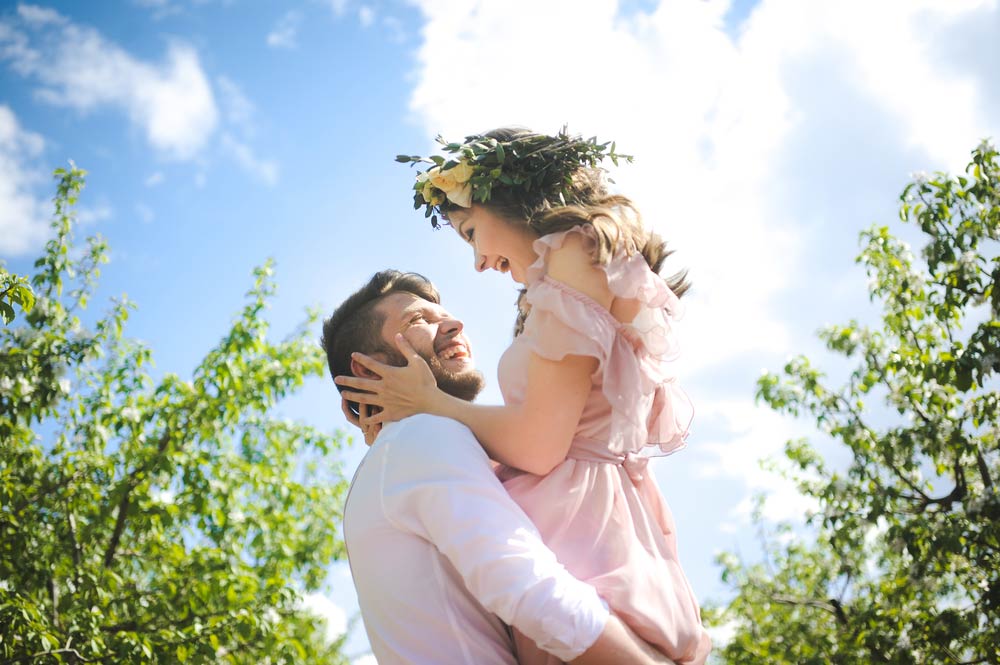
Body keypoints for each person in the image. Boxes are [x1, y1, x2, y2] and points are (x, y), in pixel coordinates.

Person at [334, 128, 712, 664]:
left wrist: (433, 402)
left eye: (470, 232)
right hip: (580, 522)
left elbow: (537, 448)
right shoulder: (421, 441)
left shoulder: (573, 257)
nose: (479, 262)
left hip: (581, 528)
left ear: (504, 201)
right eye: (466, 237)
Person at [321, 269, 675, 665]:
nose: (455, 324)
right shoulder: (421, 438)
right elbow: (531, 590)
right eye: (418, 320)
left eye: (445, 314)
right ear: (369, 371)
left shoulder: (403, 453)